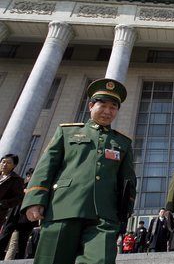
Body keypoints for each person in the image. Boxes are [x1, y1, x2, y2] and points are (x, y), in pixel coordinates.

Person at [21, 78, 137, 264]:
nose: (108, 111)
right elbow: (46, 168)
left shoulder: (123, 143)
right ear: (91, 105)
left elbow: (128, 181)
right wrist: (35, 200)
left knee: (101, 260)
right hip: (64, 208)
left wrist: (125, 211)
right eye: (103, 105)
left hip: (104, 215)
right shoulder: (66, 133)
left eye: (113, 107)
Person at [1, 168, 37, 260]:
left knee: (21, 243)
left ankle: (20, 260)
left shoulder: (35, 188)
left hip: (25, 219)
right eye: (30, 176)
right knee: (5, 238)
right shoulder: (20, 185)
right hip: (13, 216)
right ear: (28, 177)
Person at [0, 154, 24, 230]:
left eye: (8, 163)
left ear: (14, 165)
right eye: (3, 162)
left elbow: (18, 198)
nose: (4, 165)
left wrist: (3, 203)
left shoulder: (16, 180)